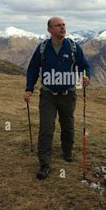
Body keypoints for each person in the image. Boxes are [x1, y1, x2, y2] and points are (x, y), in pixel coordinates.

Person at [24, 17, 91, 180]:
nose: (62, 28)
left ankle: (67, 151)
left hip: (68, 94)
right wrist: (29, 89)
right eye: (58, 25)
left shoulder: (74, 47)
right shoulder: (42, 49)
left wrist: (85, 77)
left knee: (68, 126)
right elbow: (33, 69)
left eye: (63, 25)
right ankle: (44, 164)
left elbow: (84, 66)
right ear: (50, 30)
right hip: (48, 95)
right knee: (46, 128)